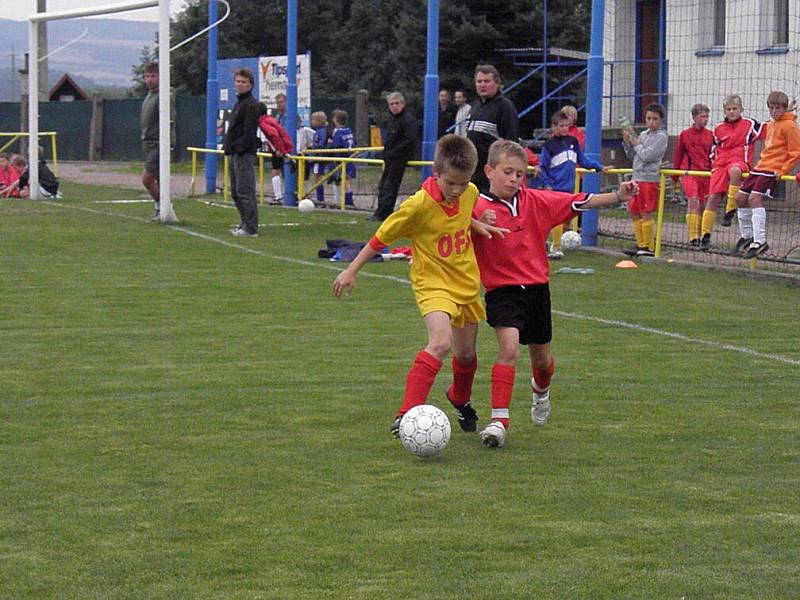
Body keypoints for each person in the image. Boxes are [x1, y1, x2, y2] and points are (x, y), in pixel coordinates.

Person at [332, 135, 507, 437]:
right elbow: (381, 238)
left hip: (465, 281)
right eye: (450, 183)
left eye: (463, 184)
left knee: (466, 355)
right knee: (440, 342)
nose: (457, 190)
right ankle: (406, 415)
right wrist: (351, 270)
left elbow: (464, 216)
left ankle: (460, 399)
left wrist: (479, 223)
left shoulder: (471, 192)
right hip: (432, 282)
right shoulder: (417, 206)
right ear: (436, 173)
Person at [472, 140, 638, 448]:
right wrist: (473, 223)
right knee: (508, 350)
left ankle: (541, 390)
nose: (514, 179)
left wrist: (617, 195)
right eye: (507, 172)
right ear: (489, 171)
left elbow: (579, 201)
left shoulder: (535, 201)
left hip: (536, 290)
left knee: (543, 362)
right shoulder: (477, 205)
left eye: (520, 174)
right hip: (502, 291)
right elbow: (447, 219)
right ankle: (499, 421)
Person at [731, 90, 800, 259]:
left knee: (754, 199)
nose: (774, 111)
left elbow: (795, 152)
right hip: (760, 166)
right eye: (771, 107)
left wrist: (783, 170)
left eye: (778, 108)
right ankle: (747, 237)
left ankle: (760, 241)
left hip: (772, 169)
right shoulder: (771, 124)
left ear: (784, 109)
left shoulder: (790, 126)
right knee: (739, 198)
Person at [539, 110, 608, 259]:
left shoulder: (572, 142)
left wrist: (599, 167)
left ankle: (551, 242)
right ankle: (556, 247)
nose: (564, 129)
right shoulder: (548, 146)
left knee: (566, 218)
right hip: (555, 188)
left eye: (566, 126)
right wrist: (547, 184)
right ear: (553, 127)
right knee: (556, 217)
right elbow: (543, 167)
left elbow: (583, 160)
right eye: (561, 126)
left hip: (569, 187)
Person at [702, 95, 764, 249]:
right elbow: (714, 147)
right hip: (720, 164)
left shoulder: (749, 124)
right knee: (713, 197)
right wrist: (713, 162)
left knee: (736, 171)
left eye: (734, 109)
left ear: (741, 109)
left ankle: (730, 210)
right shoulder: (718, 128)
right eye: (728, 109)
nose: (732, 112)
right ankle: (705, 236)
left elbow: (768, 129)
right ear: (724, 111)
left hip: (739, 161)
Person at [621, 103, 668, 257]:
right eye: (648, 118)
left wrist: (636, 144)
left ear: (661, 120)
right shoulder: (643, 135)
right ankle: (640, 243)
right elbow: (633, 156)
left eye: (655, 119)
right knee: (634, 211)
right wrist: (627, 142)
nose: (651, 122)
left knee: (646, 211)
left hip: (649, 179)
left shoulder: (661, 137)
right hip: (636, 177)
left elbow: (648, 156)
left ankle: (649, 246)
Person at [466, 64, 519, 193]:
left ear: (496, 83)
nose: (482, 85)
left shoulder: (504, 106)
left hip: (491, 175)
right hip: (474, 173)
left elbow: (511, 143)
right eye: (479, 81)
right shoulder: (476, 106)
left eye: (487, 81)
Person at [223, 68, 260, 237]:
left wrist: (239, 147)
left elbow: (248, 131)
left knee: (245, 190)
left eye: (243, 82)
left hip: (243, 153)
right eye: (238, 81)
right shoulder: (239, 103)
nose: (240, 84)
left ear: (250, 85)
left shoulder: (251, 105)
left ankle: (250, 227)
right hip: (234, 152)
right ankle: (244, 222)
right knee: (236, 191)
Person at [371, 92, 418, 221]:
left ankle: (384, 212)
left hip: (399, 158)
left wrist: (393, 153)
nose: (394, 106)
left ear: (403, 104)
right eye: (392, 104)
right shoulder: (393, 119)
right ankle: (380, 211)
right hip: (391, 157)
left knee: (390, 186)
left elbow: (410, 140)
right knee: (384, 185)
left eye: (397, 103)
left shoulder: (408, 120)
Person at [672, 103, 713, 247]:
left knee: (704, 204)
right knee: (693, 200)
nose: (705, 119)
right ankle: (693, 237)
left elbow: (713, 155)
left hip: (706, 174)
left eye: (707, 116)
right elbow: (678, 154)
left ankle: (702, 234)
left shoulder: (710, 135)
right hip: (690, 173)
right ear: (694, 117)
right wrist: (675, 175)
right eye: (702, 116)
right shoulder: (685, 135)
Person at [139, 62, 170, 221]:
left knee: (147, 179)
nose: (150, 79)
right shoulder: (149, 96)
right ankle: (161, 208)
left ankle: (162, 205)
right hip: (147, 143)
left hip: (158, 144)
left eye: (153, 76)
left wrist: (168, 143)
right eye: (147, 76)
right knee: (158, 179)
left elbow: (170, 121)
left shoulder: (165, 96)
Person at [257, 102, 293, 205]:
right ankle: (282, 196)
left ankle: (278, 197)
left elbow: (274, 134)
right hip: (284, 145)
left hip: (280, 148)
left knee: (276, 171)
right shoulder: (270, 119)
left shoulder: (263, 122)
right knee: (279, 170)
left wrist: (279, 149)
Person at [328, 109, 356, 207]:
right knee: (342, 180)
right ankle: (339, 202)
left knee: (344, 181)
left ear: (335, 119)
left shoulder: (337, 132)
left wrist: (330, 144)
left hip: (341, 159)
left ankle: (348, 202)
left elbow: (337, 145)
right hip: (350, 157)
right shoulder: (349, 130)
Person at [309, 111, 329, 204]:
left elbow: (322, 143)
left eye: (313, 119)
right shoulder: (318, 131)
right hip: (316, 157)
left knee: (318, 177)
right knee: (316, 177)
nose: (311, 121)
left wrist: (314, 146)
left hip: (318, 157)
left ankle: (320, 199)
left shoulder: (321, 131)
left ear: (318, 121)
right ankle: (319, 198)